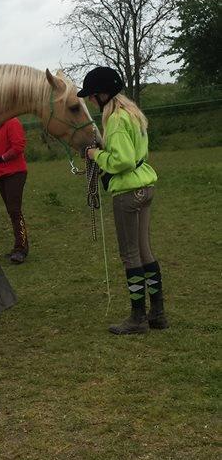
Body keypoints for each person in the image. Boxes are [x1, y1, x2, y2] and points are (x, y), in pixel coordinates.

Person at [78, 66, 168, 335]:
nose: (92, 102)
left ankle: (137, 318)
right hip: (145, 186)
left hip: (128, 192)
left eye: (93, 96)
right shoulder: (133, 114)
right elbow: (133, 153)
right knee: (144, 251)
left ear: (104, 95)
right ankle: (158, 313)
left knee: (130, 255)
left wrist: (95, 156)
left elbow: (123, 160)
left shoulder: (115, 120)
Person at [0, 117, 28, 264]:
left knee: (15, 210)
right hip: (2, 173)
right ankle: (18, 245)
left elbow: (18, 147)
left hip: (15, 173)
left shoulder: (12, 122)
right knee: (12, 211)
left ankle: (21, 248)